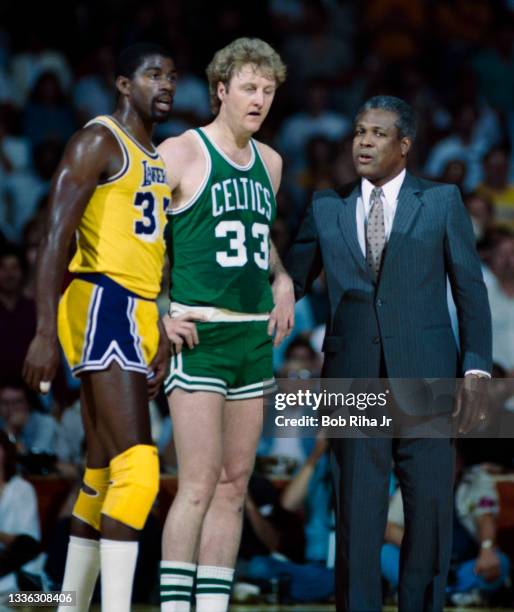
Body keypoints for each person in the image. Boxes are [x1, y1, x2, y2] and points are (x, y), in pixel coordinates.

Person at [286, 95, 492, 611]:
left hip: (426, 377)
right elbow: (289, 281)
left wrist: (477, 368)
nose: (364, 141)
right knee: (356, 512)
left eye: (377, 133)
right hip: (351, 380)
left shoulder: (441, 200)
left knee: (428, 511)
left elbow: (470, 289)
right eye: (359, 131)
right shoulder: (325, 206)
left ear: (404, 145)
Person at [22, 43, 176, 612]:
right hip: (100, 299)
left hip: (135, 307)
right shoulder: (97, 141)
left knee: (103, 470)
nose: (166, 84)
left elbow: (148, 252)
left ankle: (68, 605)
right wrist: (43, 330)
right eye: (153, 74)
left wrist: (156, 322)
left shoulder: (153, 153)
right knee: (140, 468)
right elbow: (53, 238)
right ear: (122, 83)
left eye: (173, 76)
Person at [157, 37, 294, 612]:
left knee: (236, 484)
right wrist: (159, 307)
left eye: (267, 90)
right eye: (248, 87)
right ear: (221, 90)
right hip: (199, 333)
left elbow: (259, 243)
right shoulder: (179, 152)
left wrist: (282, 280)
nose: (259, 99)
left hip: (252, 334)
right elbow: (141, 242)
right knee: (198, 483)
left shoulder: (271, 162)